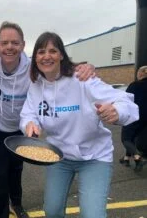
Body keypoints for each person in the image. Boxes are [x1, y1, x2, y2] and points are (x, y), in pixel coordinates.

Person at [0, 21, 95, 218]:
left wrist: (84, 67)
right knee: (1, 174)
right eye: (4, 43)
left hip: (22, 128)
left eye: (14, 43)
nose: (9, 47)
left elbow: (56, 68)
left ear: (22, 45)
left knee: (17, 170)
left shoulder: (33, 68)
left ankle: (17, 204)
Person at [19, 31, 139, 218]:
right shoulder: (36, 86)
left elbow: (125, 101)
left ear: (61, 56)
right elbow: (28, 113)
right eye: (41, 52)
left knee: (93, 215)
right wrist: (29, 124)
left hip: (94, 157)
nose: (47, 56)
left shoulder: (83, 79)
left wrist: (118, 111)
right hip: (58, 157)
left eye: (52, 51)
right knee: (52, 211)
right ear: (35, 58)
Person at [120, 65, 147, 171]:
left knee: (126, 138)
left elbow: (125, 100)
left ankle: (138, 157)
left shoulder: (134, 85)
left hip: (133, 115)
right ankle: (126, 158)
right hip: (145, 119)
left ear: (140, 74)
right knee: (133, 138)